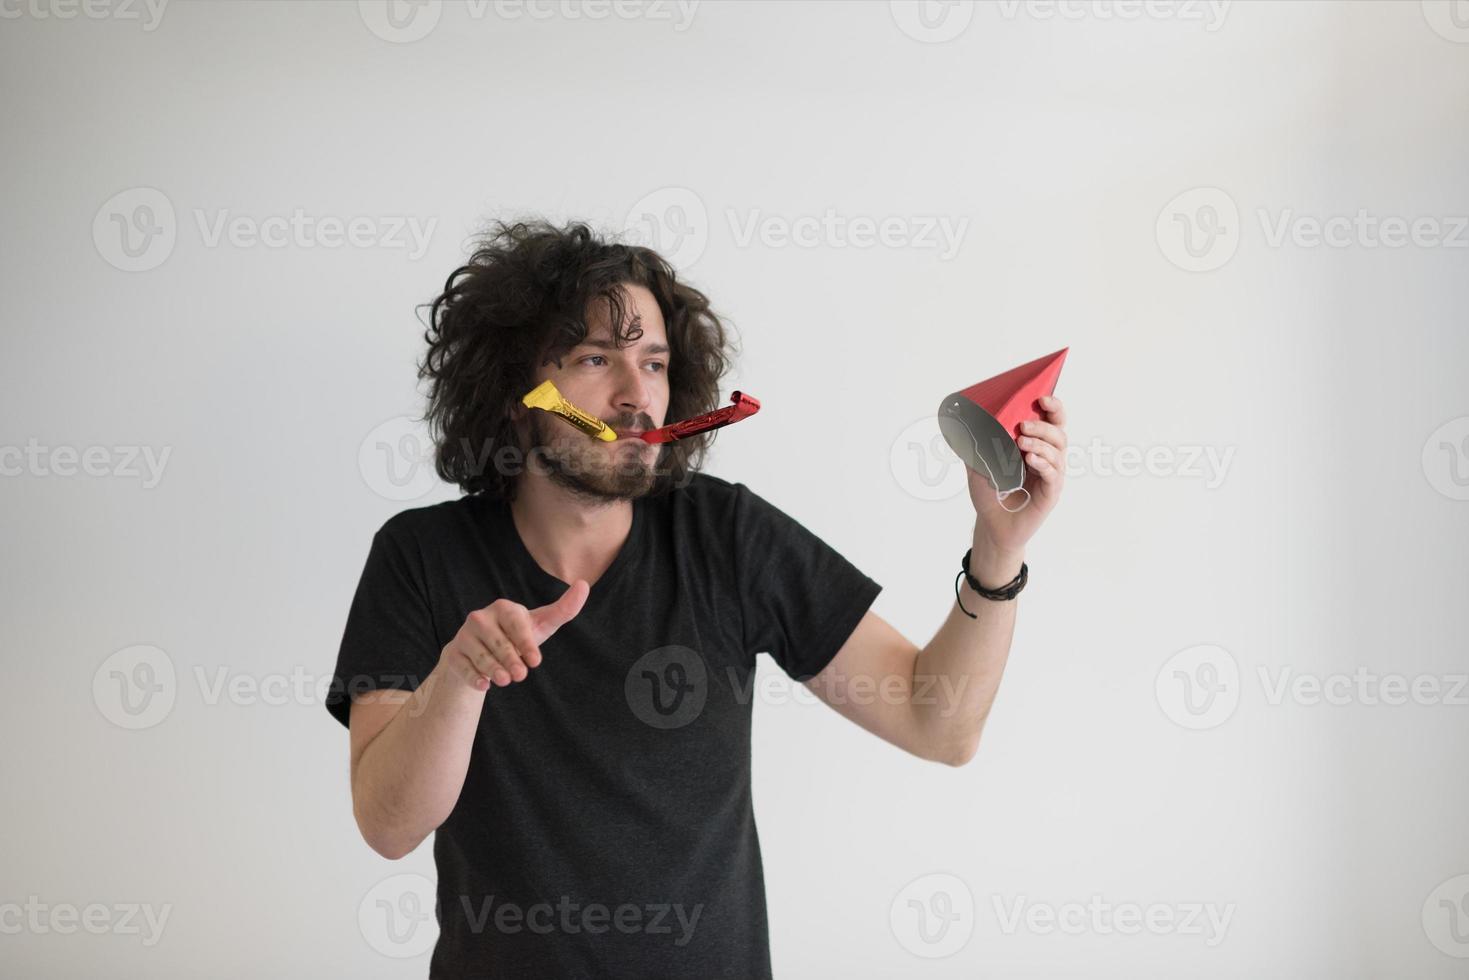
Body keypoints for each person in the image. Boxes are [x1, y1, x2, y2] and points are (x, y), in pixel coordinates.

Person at [325, 219, 1069, 978]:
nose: (635, 396)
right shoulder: (420, 555)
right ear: (516, 392)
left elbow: (935, 723)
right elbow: (388, 826)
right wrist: (459, 678)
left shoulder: (726, 535)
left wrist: (998, 549)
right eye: (594, 359)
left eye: (653, 363)